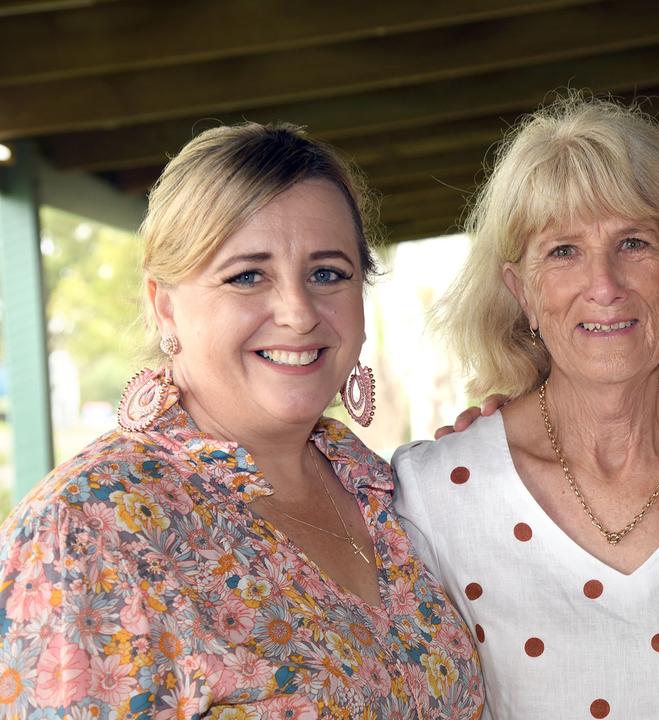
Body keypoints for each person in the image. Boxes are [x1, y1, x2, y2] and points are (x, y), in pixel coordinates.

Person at [0, 123, 483, 718]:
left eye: (327, 273)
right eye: (247, 276)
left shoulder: (392, 495)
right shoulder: (88, 529)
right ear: (164, 304)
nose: (298, 313)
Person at [393, 97, 659, 718]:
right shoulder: (433, 496)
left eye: (633, 243)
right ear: (522, 293)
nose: (605, 285)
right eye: (562, 251)